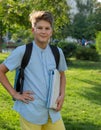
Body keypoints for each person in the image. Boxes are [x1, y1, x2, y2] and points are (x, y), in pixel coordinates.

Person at [0, 10, 67, 130]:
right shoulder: (22, 51)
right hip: (31, 110)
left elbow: (62, 75)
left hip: (53, 110)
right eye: (40, 28)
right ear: (33, 30)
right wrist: (15, 94)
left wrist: (62, 94)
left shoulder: (57, 52)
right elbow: (1, 71)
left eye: (47, 28)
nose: (43, 31)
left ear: (51, 31)